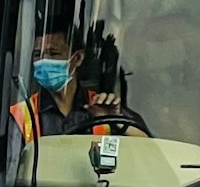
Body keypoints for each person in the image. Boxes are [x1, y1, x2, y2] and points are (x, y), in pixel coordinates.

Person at [8, 27, 146, 145]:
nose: (44, 61)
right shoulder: (22, 114)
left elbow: (149, 150)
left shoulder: (102, 106)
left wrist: (116, 121)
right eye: (38, 55)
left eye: (53, 53)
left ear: (77, 58)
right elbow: (10, 168)